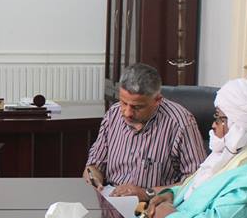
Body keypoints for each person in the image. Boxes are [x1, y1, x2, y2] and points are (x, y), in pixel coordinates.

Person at [136, 78, 247, 218]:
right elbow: (198, 191)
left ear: (237, 126)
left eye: (219, 118)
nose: (213, 125)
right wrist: (170, 195)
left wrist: (170, 217)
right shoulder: (230, 155)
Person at [83, 63, 204, 201]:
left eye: (137, 107)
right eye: (123, 103)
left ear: (157, 100)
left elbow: (196, 182)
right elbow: (93, 166)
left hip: (154, 208)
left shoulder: (181, 123)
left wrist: (146, 193)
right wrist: (93, 179)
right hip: (112, 202)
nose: (127, 113)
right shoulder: (113, 114)